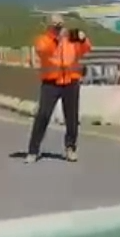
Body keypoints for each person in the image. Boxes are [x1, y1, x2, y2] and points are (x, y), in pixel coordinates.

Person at [25, 13, 91, 164]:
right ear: (49, 26)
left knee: (71, 117)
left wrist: (82, 38)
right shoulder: (44, 39)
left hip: (71, 81)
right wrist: (56, 38)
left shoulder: (71, 39)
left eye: (60, 24)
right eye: (55, 25)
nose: (59, 27)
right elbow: (43, 50)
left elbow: (86, 48)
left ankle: (70, 148)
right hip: (51, 83)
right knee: (43, 115)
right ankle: (33, 150)